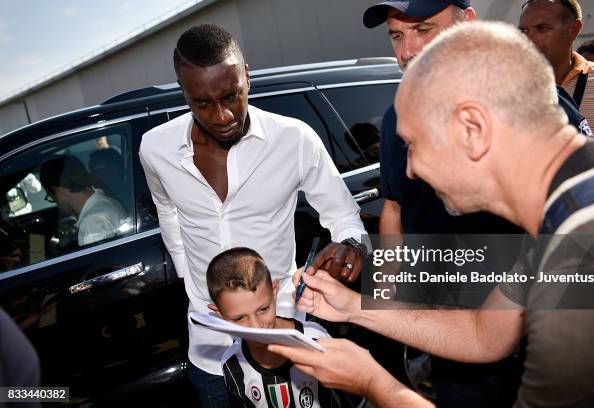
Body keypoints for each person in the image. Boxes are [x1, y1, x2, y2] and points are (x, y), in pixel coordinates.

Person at [270, 21, 594, 407]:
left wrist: (373, 384)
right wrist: (356, 306)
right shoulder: (569, 213)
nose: (411, 170)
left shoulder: (585, 249)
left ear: (472, 129)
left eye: (414, 145)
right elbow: (486, 334)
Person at [138, 24, 367, 407]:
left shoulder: (294, 139)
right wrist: (189, 279)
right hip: (210, 352)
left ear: (248, 76)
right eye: (203, 104)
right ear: (185, 94)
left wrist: (350, 248)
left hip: (285, 345)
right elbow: (168, 211)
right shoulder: (155, 148)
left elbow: (345, 219)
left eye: (231, 96)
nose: (222, 114)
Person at [206, 247, 364, 408]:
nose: (256, 326)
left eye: (263, 309)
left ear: (274, 293)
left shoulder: (316, 340)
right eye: (239, 318)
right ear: (220, 315)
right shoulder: (232, 364)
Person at [519, 0, 594, 140]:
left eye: (541, 28)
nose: (529, 39)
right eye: (524, 30)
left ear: (573, 30)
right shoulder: (504, 86)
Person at [39, 155, 128, 247]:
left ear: (57, 191)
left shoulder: (91, 224)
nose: (57, 203)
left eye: (51, 197)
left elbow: (94, 261)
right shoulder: (108, 201)